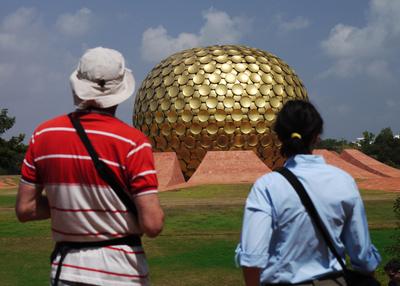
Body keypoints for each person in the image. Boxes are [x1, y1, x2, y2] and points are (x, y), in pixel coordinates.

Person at [15, 47, 164, 286]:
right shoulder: (134, 143)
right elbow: (153, 224)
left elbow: (26, 209)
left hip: (67, 272)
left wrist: (70, 204)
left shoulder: (44, 134)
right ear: (121, 90)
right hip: (122, 273)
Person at [235, 100, 381, 286]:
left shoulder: (267, 187)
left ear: (279, 137)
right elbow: (363, 258)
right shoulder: (343, 181)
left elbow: (252, 258)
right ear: (317, 136)